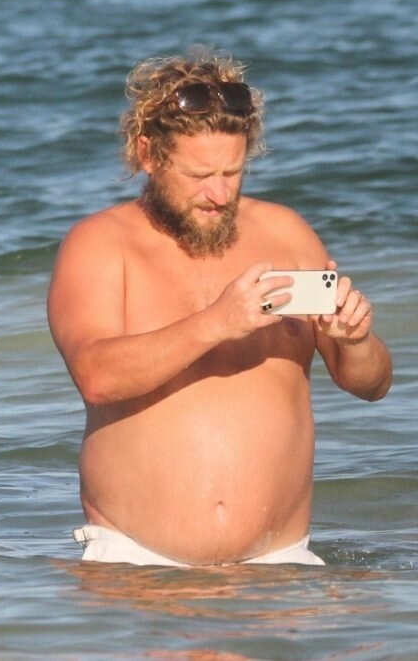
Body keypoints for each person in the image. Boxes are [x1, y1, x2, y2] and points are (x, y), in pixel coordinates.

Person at [47, 48, 393, 567]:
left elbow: (371, 385)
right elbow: (97, 375)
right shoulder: (99, 245)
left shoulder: (287, 233)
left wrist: (356, 340)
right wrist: (216, 323)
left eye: (233, 171)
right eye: (199, 175)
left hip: (281, 568)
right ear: (147, 155)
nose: (219, 193)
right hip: (135, 567)